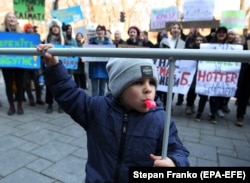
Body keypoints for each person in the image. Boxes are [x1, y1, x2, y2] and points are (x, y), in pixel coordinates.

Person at [37, 43, 190, 182]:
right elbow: (69, 94)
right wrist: (54, 66)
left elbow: (177, 149)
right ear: (120, 88)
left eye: (151, 82)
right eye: (138, 82)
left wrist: (174, 162)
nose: (148, 89)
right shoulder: (97, 109)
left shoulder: (161, 119)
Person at [0, 12, 25, 115]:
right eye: (9, 17)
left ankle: (19, 105)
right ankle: (11, 106)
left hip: (19, 62)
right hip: (6, 62)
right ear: (6, 19)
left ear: (16, 19)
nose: (11, 19)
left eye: (13, 17)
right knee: (8, 84)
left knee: (20, 84)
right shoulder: (1, 32)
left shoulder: (21, 32)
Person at [44, 18, 65, 113]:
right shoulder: (46, 39)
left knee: (61, 86)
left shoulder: (64, 39)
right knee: (49, 85)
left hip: (61, 65)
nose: (55, 29)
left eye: (57, 27)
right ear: (51, 28)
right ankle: (49, 104)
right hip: (50, 65)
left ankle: (61, 104)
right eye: (54, 27)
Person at [22, 23, 45, 106]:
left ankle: (38, 98)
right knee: (27, 83)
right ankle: (31, 99)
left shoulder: (36, 37)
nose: (30, 29)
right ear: (25, 29)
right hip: (26, 64)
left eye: (31, 28)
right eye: (28, 28)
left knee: (37, 82)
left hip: (35, 64)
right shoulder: (22, 38)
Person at [88, 25, 113, 96]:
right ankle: (94, 104)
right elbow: (87, 54)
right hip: (94, 67)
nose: (100, 32)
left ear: (104, 32)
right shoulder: (91, 43)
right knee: (94, 89)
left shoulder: (109, 44)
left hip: (104, 68)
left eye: (101, 30)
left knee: (102, 89)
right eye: (98, 30)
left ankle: (101, 104)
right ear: (96, 32)